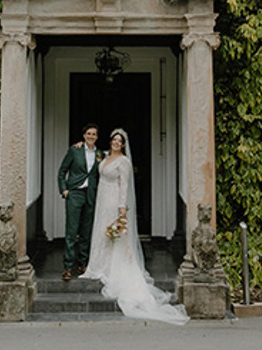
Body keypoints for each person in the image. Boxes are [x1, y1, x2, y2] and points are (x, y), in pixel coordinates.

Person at [83, 127, 188, 323]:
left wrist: (122, 210)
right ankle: (98, 265)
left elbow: (124, 186)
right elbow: (92, 153)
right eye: (113, 140)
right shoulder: (104, 157)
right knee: (100, 232)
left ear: (123, 144)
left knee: (114, 235)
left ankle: (112, 267)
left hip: (114, 200)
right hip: (101, 200)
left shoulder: (124, 162)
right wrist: (81, 144)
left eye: (119, 141)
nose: (115, 143)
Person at [58, 123, 102, 281]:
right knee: (71, 232)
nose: (91, 136)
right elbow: (62, 171)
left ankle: (83, 264)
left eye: (94, 134)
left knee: (86, 232)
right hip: (75, 194)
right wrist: (64, 190)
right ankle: (68, 266)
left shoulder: (100, 154)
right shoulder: (74, 150)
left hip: (90, 196)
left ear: (97, 137)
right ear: (84, 135)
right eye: (89, 133)